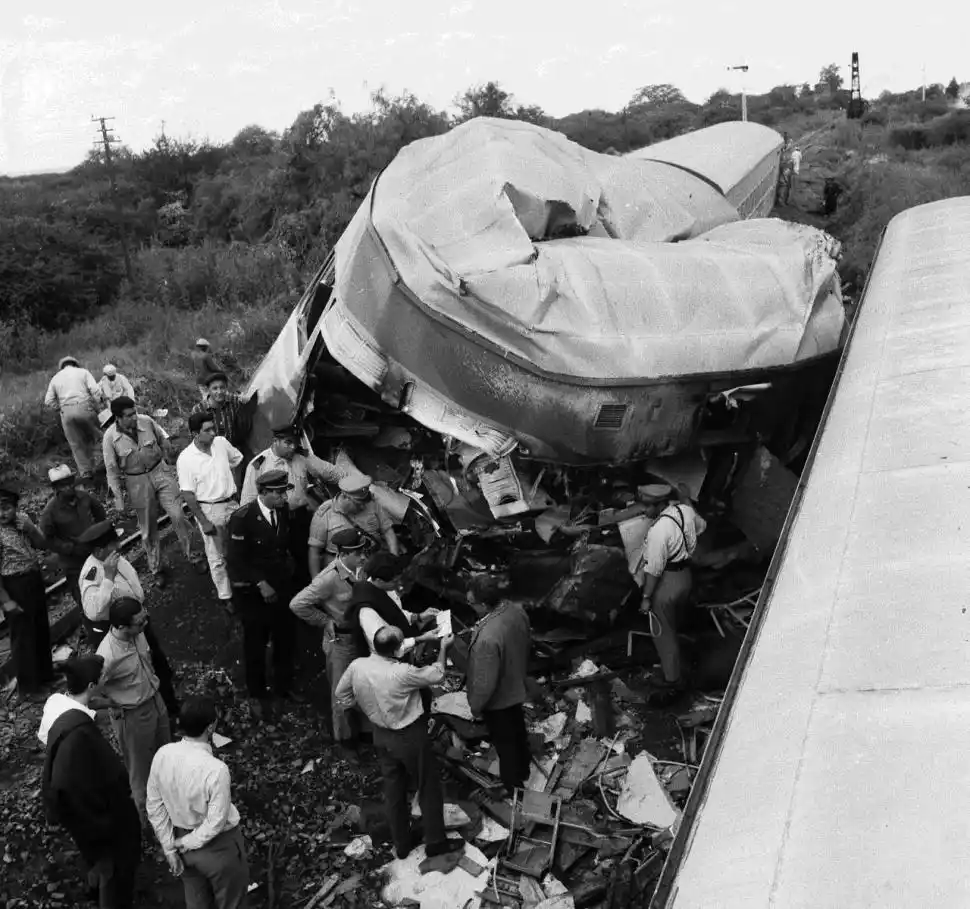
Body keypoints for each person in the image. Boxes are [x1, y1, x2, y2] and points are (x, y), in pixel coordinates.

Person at [335, 628, 463, 861]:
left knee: (394, 790)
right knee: (427, 786)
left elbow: (341, 694)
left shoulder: (357, 666)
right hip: (409, 735)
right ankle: (435, 843)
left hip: (381, 735)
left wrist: (366, 709)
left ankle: (402, 844)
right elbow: (437, 675)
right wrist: (443, 648)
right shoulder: (401, 673)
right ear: (396, 649)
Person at [39, 654, 141, 909]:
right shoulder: (82, 737)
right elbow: (102, 783)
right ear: (92, 685)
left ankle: (93, 885)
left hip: (69, 810)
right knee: (112, 866)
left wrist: (103, 704)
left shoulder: (56, 704)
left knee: (93, 857)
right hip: (94, 816)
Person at [147, 697, 250, 909]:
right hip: (219, 849)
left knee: (196, 903)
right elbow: (216, 822)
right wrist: (186, 843)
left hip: (181, 842)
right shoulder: (216, 769)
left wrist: (170, 848)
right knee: (231, 902)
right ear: (211, 727)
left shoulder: (162, 755)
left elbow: (155, 806)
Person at [77, 521, 179, 718]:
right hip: (123, 633)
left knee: (158, 665)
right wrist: (107, 578)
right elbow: (92, 611)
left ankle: (170, 707)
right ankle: (154, 712)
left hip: (138, 622)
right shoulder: (92, 574)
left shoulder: (116, 558)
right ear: (99, 551)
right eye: (113, 543)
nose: (119, 546)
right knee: (140, 673)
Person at [103, 396, 202, 587]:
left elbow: (161, 436)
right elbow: (111, 471)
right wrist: (118, 499)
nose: (135, 417)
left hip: (160, 471)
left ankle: (194, 555)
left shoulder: (146, 421)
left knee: (178, 515)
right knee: (148, 529)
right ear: (118, 418)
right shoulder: (110, 438)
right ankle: (156, 568)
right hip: (137, 480)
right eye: (129, 415)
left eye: (135, 412)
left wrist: (168, 451)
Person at [290, 529, 369, 753]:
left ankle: (363, 731)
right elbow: (298, 604)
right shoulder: (329, 578)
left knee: (362, 685)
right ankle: (345, 742)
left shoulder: (359, 569)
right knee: (342, 694)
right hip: (341, 643)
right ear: (343, 554)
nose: (363, 557)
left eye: (363, 551)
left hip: (361, 637)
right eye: (358, 553)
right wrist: (325, 620)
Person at [227, 469, 298, 716]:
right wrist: (260, 582)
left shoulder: (282, 512)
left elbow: (284, 548)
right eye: (278, 493)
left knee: (284, 639)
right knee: (255, 643)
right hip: (253, 594)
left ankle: (283, 686)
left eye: (284, 492)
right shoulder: (243, 518)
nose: (283, 497)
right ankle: (256, 692)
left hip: (281, 586)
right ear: (263, 492)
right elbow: (236, 560)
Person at [96, 597, 173, 823]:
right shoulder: (106, 657)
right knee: (141, 772)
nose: (145, 625)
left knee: (166, 756)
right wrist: (116, 704)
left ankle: (171, 806)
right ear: (121, 626)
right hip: (133, 715)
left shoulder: (138, 634)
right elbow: (89, 696)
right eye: (139, 623)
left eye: (144, 619)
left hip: (155, 701)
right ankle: (146, 822)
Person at [241, 424, 344, 583]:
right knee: (276, 559)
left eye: (295, 443)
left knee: (304, 555)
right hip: (274, 520)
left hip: (300, 516)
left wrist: (350, 479)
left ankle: (305, 588)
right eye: (288, 443)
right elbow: (248, 499)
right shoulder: (259, 464)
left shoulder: (301, 458)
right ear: (275, 441)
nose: (292, 447)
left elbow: (328, 472)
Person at [635, 483, 707, 705]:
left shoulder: (658, 531)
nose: (644, 511)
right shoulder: (683, 511)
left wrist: (646, 597)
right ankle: (680, 668)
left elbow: (654, 570)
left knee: (663, 633)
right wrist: (686, 499)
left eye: (647, 507)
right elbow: (702, 526)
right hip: (685, 575)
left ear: (659, 505)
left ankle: (672, 681)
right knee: (675, 623)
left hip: (667, 582)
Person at [466, 581, 532, 797]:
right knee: (517, 731)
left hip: (498, 698)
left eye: (472, 603)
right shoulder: (515, 611)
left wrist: (476, 706)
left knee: (505, 743)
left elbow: (485, 683)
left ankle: (513, 787)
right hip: (516, 684)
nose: (470, 606)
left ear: (484, 605)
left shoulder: (487, 638)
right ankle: (523, 769)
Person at [177, 412, 243, 609]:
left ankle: (244, 583)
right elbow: (188, 494)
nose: (213, 433)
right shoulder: (186, 459)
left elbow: (237, 460)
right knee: (216, 555)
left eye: (213, 428)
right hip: (210, 509)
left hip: (232, 503)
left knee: (240, 545)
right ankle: (226, 595)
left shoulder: (221, 443)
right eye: (207, 430)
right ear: (195, 434)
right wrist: (204, 522)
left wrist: (236, 486)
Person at [0, 482, 55, 700]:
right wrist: (6, 601)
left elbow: (42, 544)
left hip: (33, 579)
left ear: (15, 506)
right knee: (23, 637)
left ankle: (45, 676)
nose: (2, 513)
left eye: (6, 507)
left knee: (40, 628)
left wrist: (30, 529)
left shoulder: (22, 520)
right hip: (14, 585)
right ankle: (28, 688)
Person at [39, 464, 108, 609]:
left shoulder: (84, 497)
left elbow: (100, 513)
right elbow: (48, 539)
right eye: (62, 485)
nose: (68, 487)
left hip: (96, 553)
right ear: (56, 488)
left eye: (69, 482)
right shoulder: (50, 512)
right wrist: (70, 549)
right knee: (85, 597)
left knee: (106, 588)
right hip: (74, 563)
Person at [350, 552, 440, 658]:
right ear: (379, 580)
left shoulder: (386, 588)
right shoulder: (368, 612)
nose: (399, 584)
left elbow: (396, 612)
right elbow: (385, 647)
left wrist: (418, 616)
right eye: (395, 581)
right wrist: (422, 638)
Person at [308, 474, 399, 577]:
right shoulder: (325, 513)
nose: (362, 506)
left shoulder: (372, 504)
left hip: (371, 564)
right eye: (358, 503)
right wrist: (316, 581)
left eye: (364, 502)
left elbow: (388, 531)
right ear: (345, 497)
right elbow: (314, 552)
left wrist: (393, 561)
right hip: (341, 571)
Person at [44, 356, 106, 480]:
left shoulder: (56, 378)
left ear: (62, 366)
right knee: (99, 436)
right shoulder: (83, 372)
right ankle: (107, 462)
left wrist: (60, 408)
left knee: (76, 444)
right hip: (85, 407)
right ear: (75, 364)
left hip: (66, 411)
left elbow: (48, 401)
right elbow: (95, 390)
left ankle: (86, 473)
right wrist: (100, 403)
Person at [191, 372, 254, 464]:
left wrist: (246, 400)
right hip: (210, 457)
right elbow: (194, 437)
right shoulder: (198, 410)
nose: (219, 392)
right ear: (208, 390)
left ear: (226, 388)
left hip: (231, 456)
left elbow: (246, 402)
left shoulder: (233, 401)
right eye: (215, 388)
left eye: (222, 387)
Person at [776, 132, 796, 206]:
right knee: (783, 184)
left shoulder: (786, 147)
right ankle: (780, 200)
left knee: (784, 184)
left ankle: (781, 200)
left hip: (784, 165)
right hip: (785, 166)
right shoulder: (786, 148)